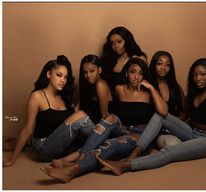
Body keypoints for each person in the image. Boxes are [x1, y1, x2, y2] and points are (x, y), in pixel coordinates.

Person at [96, 58, 206, 175]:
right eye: (195, 75)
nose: (198, 78)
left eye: (203, 74)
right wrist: (173, 126)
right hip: (193, 132)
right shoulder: (194, 94)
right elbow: (185, 115)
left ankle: (125, 166)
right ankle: (135, 153)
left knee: (169, 152)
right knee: (160, 115)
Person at [40, 57, 168, 183]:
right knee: (110, 117)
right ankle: (80, 160)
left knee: (110, 143)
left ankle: (73, 169)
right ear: (126, 73)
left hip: (141, 134)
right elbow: (108, 110)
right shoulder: (119, 90)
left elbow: (163, 112)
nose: (136, 77)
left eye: (140, 73)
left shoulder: (149, 93)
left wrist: (151, 88)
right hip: (123, 128)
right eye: (132, 72)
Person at [3, 54, 112, 167]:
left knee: (89, 144)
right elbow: (27, 130)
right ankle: (108, 142)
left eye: (65, 77)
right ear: (49, 74)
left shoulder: (64, 97)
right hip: (44, 148)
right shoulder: (37, 96)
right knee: (82, 117)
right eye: (59, 75)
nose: (63, 80)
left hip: (61, 146)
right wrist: (12, 160)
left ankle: (105, 145)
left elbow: (69, 124)